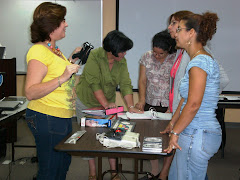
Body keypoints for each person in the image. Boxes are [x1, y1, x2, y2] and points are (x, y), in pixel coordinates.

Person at [159, 10, 229, 180]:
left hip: (198, 133)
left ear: (191, 33)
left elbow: (193, 104)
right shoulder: (198, 59)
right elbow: (186, 98)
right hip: (194, 131)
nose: (175, 33)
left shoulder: (199, 62)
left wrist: (175, 133)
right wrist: (174, 123)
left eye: (179, 29)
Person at [75, 30, 142, 180]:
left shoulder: (121, 61)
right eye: (123, 51)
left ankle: (114, 172)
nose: (125, 54)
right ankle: (92, 172)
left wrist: (130, 107)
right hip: (86, 102)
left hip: (107, 103)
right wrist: (106, 105)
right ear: (113, 50)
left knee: (112, 136)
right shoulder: (95, 56)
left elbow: (125, 84)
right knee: (89, 138)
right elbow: (94, 84)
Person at [25, 2, 81, 179]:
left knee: (62, 166)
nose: (66, 24)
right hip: (47, 117)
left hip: (61, 116)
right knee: (50, 170)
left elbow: (55, 76)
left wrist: (71, 60)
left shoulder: (54, 50)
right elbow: (31, 92)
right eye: (63, 20)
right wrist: (63, 76)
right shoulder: (38, 51)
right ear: (51, 25)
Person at [135, 30, 176, 180]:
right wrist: (141, 99)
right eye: (155, 52)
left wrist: (172, 106)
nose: (157, 56)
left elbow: (177, 85)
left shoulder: (175, 58)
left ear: (169, 50)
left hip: (168, 106)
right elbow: (142, 81)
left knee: (168, 140)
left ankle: (164, 174)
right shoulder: (146, 57)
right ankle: (153, 172)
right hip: (150, 103)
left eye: (161, 54)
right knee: (150, 138)